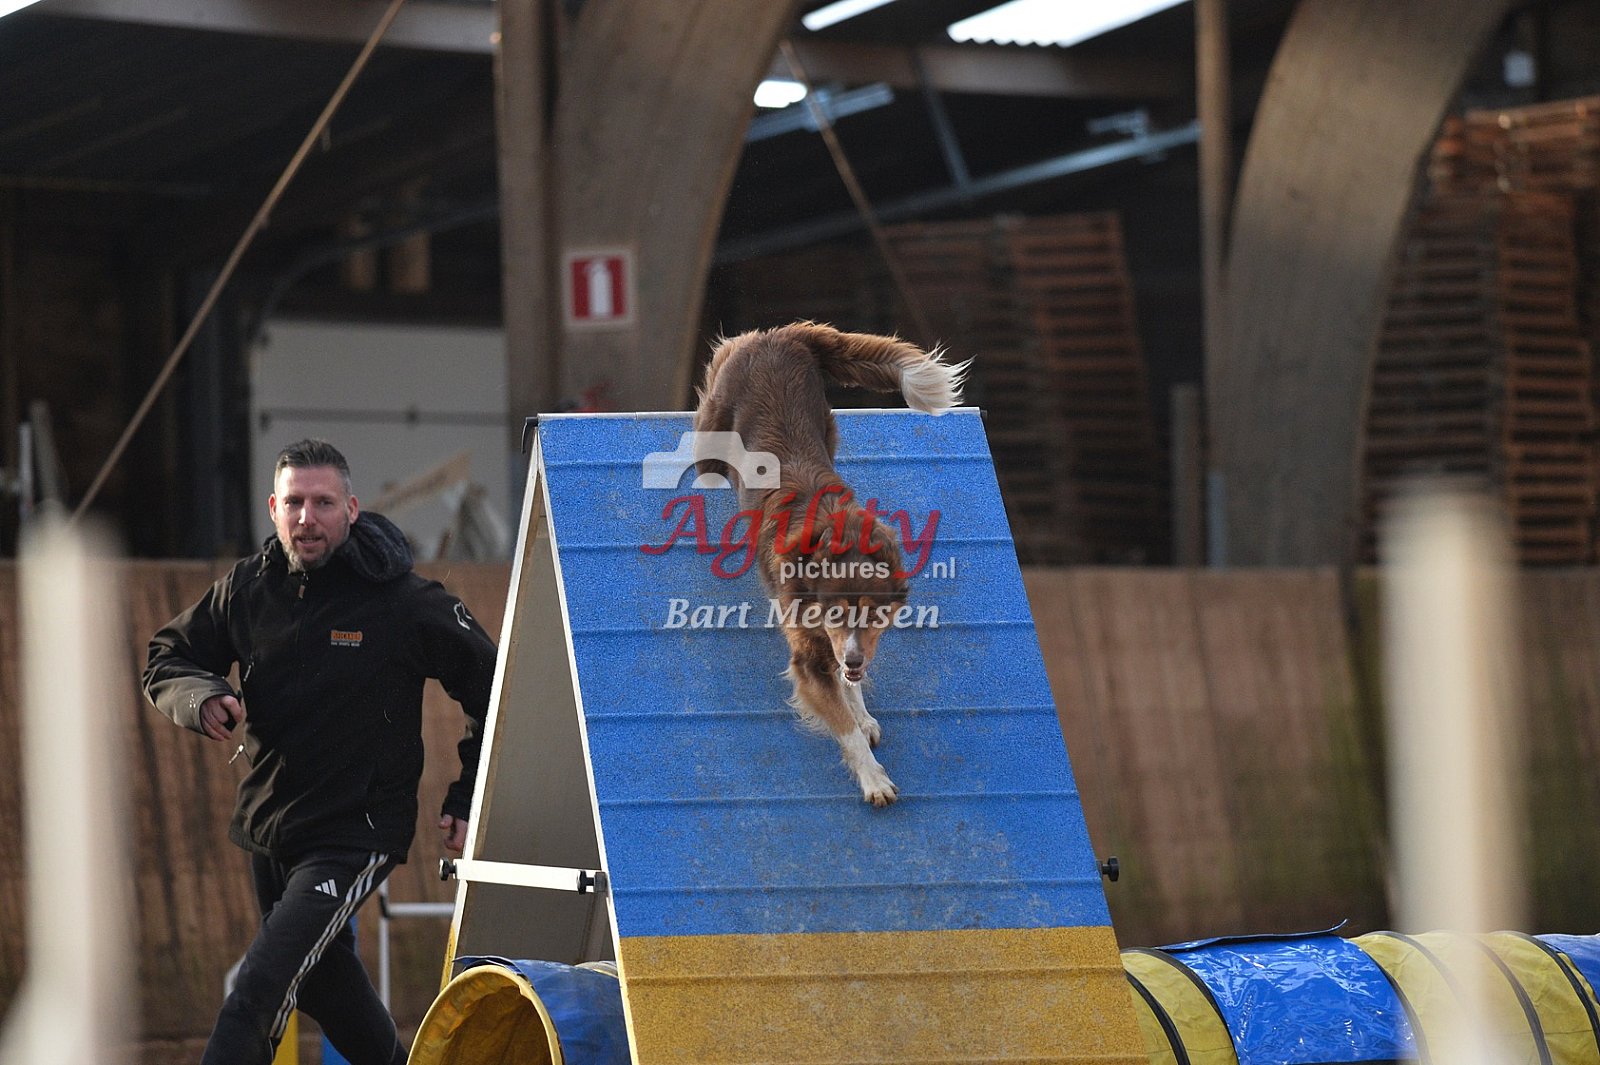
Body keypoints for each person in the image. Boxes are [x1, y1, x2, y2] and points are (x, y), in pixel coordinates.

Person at [144, 439, 498, 1065]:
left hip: (356, 831)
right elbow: (166, 656)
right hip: (270, 828)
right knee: (322, 984)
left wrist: (468, 794)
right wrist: (200, 696)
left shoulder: (403, 602)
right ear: (273, 508)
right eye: (295, 503)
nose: (307, 518)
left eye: (324, 503)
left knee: (258, 989)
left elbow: (493, 686)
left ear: (351, 510)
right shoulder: (248, 588)